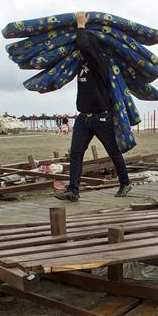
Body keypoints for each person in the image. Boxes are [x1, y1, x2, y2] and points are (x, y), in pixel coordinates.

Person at [55, 12, 131, 202]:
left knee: (113, 151)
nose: (80, 50)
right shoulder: (81, 63)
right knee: (75, 153)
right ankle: (73, 190)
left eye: (84, 46)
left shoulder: (100, 62)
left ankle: (125, 183)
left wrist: (81, 24)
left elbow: (84, 45)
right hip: (83, 116)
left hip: (101, 116)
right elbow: (79, 49)